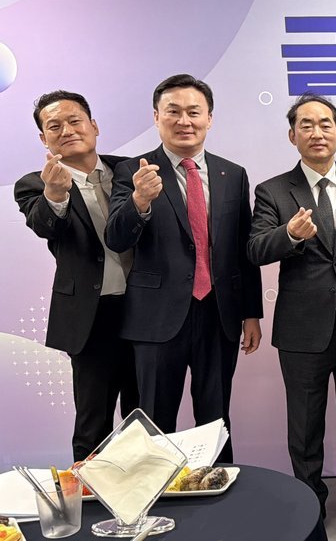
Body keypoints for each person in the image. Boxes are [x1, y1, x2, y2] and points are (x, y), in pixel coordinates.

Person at [246, 94, 336, 532]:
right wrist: (289, 234)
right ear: (293, 136)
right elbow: (255, 249)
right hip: (303, 328)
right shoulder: (272, 190)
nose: (317, 132)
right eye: (306, 125)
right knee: (305, 424)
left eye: (325, 124)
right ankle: (310, 504)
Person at [106, 73, 262, 463]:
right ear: (156, 117)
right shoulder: (133, 171)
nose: (184, 121)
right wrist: (140, 201)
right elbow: (116, 238)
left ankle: (218, 489)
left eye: (194, 112)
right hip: (156, 317)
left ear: (209, 118)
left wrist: (251, 313)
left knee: (216, 417)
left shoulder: (232, 174)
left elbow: (243, 249)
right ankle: (154, 492)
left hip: (219, 313)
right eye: (173, 111)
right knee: (154, 420)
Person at [14, 90, 138, 461]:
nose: (67, 130)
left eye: (74, 121)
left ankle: (151, 491)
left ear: (93, 126)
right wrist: (55, 193)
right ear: (44, 139)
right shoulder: (34, 183)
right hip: (90, 316)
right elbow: (46, 226)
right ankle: (89, 495)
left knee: (145, 416)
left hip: (145, 310)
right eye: (55, 126)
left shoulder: (129, 170)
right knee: (93, 422)